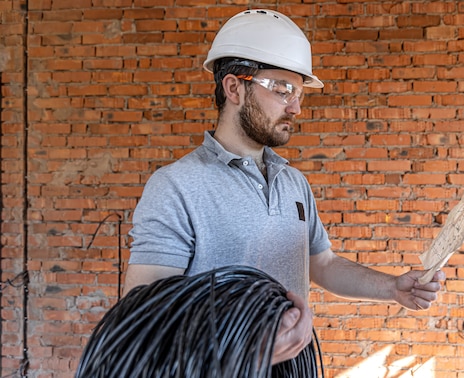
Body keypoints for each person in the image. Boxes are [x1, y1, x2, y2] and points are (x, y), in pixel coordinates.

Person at [123, 8, 445, 365]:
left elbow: (321, 263)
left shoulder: (293, 183)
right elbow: (145, 317)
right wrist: (244, 350)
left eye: (300, 93)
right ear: (234, 87)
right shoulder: (176, 186)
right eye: (282, 90)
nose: (296, 107)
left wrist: (393, 288)